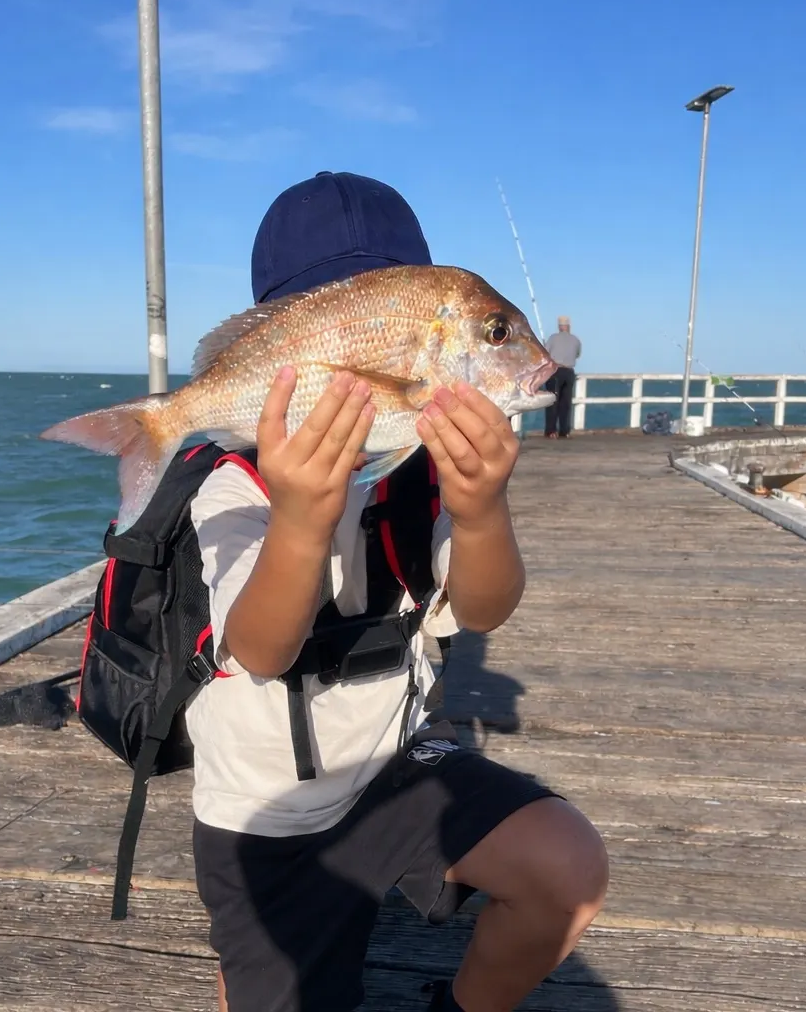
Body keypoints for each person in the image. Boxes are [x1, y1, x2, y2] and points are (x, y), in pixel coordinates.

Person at [186, 171, 608, 1012]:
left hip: (392, 771)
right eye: (496, 334)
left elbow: (484, 608)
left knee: (568, 870)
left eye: (493, 331)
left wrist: (480, 506)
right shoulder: (232, 485)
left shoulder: (422, 467)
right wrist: (302, 518)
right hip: (268, 818)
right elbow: (263, 649)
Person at [543, 315, 581, 438]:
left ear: (559, 327)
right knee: (566, 403)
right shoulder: (575, 340)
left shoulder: (553, 338)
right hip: (569, 372)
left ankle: (551, 431)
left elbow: (545, 353)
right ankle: (565, 431)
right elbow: (577, 354)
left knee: (552, 401)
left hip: (555, 371)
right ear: (568, 326)